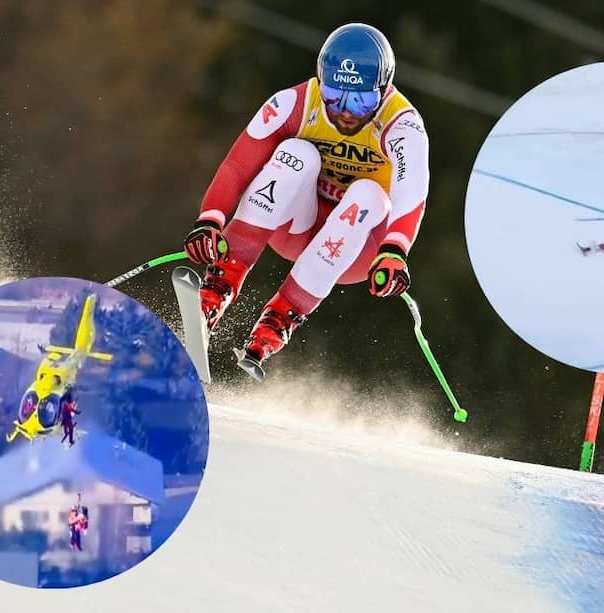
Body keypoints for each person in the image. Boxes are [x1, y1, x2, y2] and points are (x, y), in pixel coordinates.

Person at [183, 23, 429, 372]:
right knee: (297, 154)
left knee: (369, 194)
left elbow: (412, 191)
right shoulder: (294, 103)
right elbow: (238, 165)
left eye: (362, 100)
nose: (346, 111)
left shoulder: (403, 126)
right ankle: (219, 285)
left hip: (358, 249)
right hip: (295, 227)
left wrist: (395, 249)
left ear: (384, 89)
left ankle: (281, 318)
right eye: (334, 95)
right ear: (320, 80)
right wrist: (210, 219)